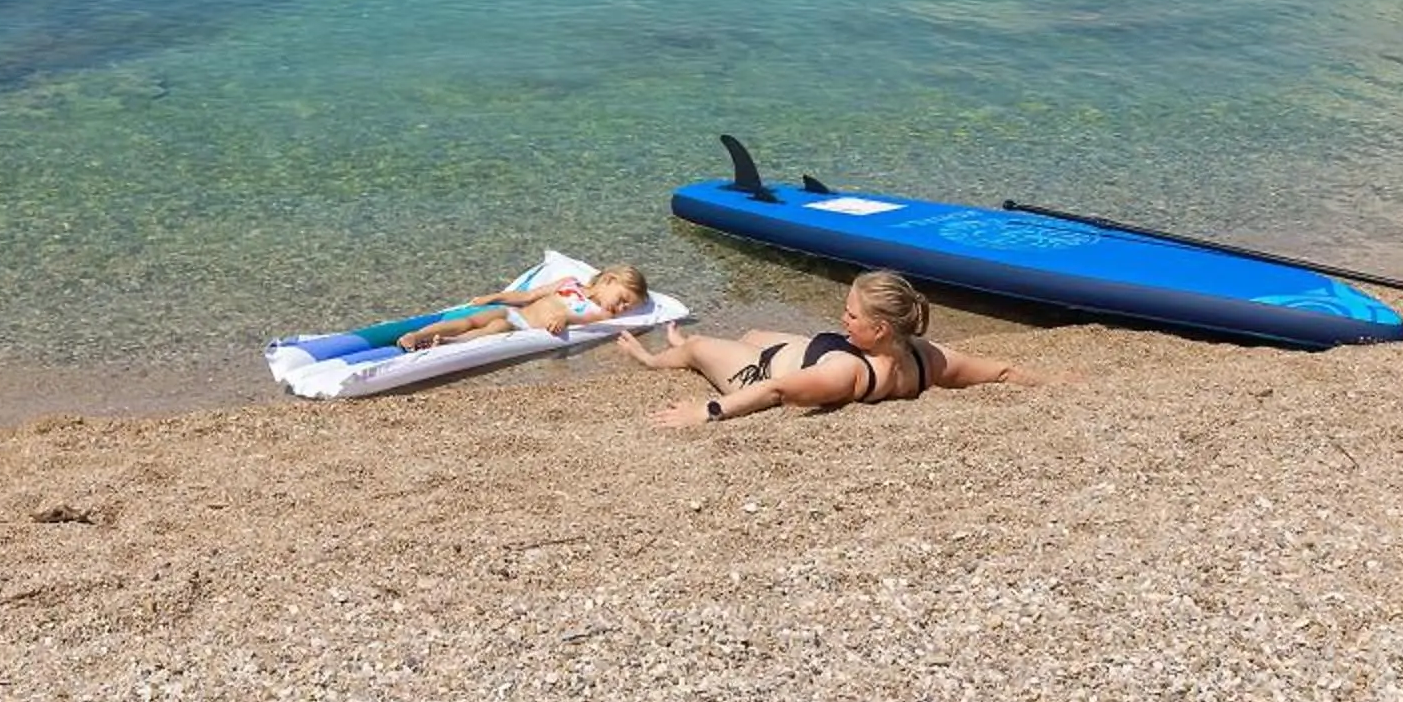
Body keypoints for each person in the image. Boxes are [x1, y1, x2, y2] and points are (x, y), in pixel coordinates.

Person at [617, 268, 1042, 426]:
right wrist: (1051, 382)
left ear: (879, 329)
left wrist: (706, 411)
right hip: (812, 350)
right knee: (751, 332)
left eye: (851, 315)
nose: (843, 318)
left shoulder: (847, 373)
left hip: (766, 370)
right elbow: (1002, 372)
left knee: (697, 346)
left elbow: (776, 391)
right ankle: (683, 344)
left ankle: (655, 356)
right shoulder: (923, 356)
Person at [395, 263, 651, 350]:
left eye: (627, 308)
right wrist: (493, 297)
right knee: (473, 319)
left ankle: (449, 343)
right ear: (608, 280)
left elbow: (580, 319)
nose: (622, 308)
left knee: (496, 327)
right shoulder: (569, 282)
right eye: (622, 299)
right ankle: (417, 335)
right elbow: (529, 296)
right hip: (516, 312)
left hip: (524, 328)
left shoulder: (600, 313)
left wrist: (564, 318)